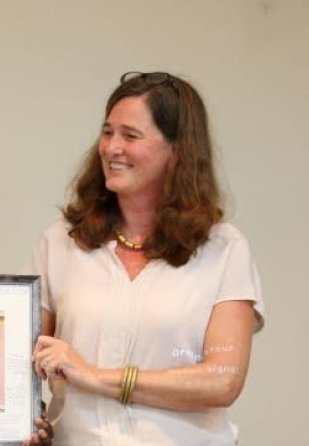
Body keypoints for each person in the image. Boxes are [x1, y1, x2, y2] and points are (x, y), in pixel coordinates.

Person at [22, 72, 264, 446]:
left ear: (178, 152)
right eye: (107, 132)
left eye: (130, 136)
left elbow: (223, 380)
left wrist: (96, 376)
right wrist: (26, 421)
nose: (110, 148)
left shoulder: (224, 249)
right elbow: (21, 365)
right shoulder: (59, 242)